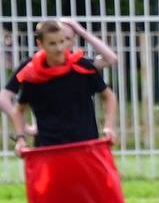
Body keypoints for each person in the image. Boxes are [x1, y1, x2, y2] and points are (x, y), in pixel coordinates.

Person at [3, 18, 118, 150]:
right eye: (52, 43)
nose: (59, 48)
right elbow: (14, 105)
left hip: (85, 144)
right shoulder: (29, 72)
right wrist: (23, 134)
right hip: (49, 147)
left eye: (63, 41)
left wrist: (109, 127)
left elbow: (111, 60)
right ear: (40, 44)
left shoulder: (83, 66)